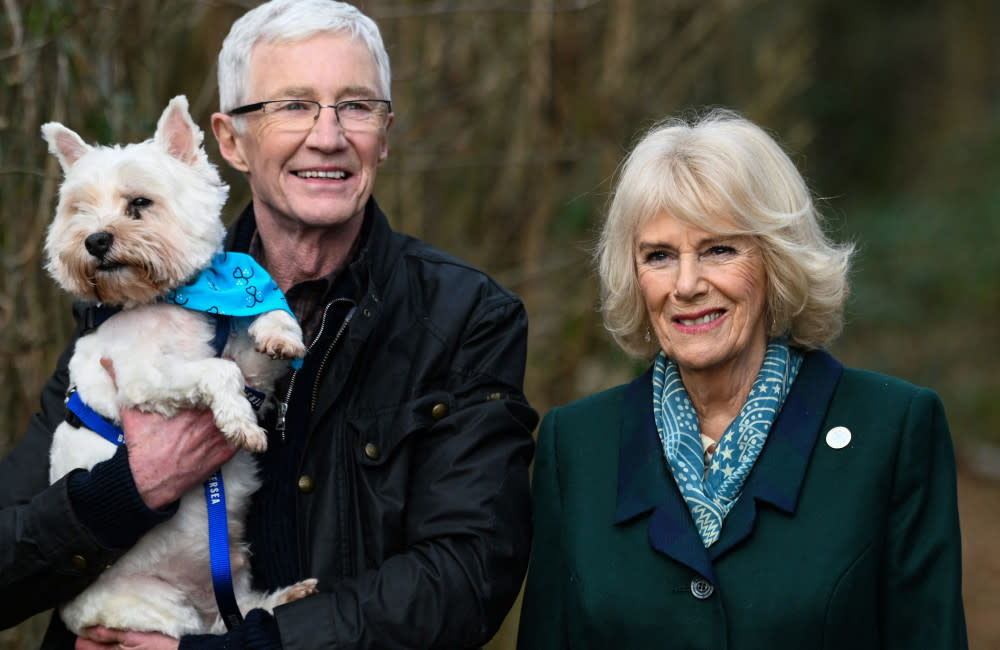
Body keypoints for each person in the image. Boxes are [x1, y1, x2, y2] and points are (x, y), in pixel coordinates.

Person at [0, 0, 538, 648]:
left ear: (386, 134)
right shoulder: (130, 300)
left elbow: (467, 577)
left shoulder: (463, 318)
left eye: (357, 106)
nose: (329, 135)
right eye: (293, 105)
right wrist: (128, 489)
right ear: (230, 140)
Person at [516, 109, 968, 649]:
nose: (686, 284)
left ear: (776, 260)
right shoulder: (576, 446)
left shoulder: (892, 432)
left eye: (718, 250)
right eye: (659, 256)